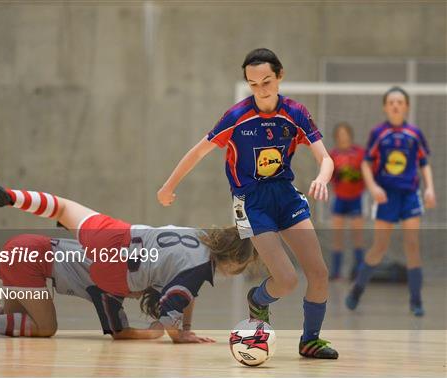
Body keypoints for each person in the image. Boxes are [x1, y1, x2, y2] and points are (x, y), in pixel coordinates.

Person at [157, 48, 338, 358]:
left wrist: (322, 177)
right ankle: (258, 299)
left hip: (284, 194)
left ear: (280, 76)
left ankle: (310, 341)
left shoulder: (295, 113)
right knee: (287, 280)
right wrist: (168, 185)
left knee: (319, 273)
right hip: (249, 203)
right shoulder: (236, 116)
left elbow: (326, 158)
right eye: (253, 84)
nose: (261, 89)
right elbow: (198, 151)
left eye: (266, 81)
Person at [0, 170, 257, 342]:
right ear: (232, 259)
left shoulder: (197, 234)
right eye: (240, 267)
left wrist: (185, 327)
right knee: (47, 327)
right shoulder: (201, 267)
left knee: (62, 207)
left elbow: (187, 293)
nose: (236, 273)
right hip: (117, 272)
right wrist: (177, 335)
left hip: (115, 234)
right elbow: (171, 309)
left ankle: (10, 196)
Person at [0, 234, 164, 340]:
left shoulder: (122, 259)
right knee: (46, 327)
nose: (132, 296)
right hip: (30, 258)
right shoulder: (115, 283)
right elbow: (118, 333)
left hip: (23, 247)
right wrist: (154, 332)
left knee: (15, 320)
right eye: (139, 293)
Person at [346, 87, 436, 317]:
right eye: (391, 102)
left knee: (412, 245)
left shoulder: (414, 133)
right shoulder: (379, 133)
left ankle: (416, 301)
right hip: (386, 196)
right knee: (379, 247)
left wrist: (430, 189)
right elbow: (366, 163)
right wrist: (373, 187)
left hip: (409, 196)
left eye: (400, 102)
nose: (396, 105)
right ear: (385, 107)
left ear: (406, 106)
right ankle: (357, 289)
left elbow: (424, 163)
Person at [328, 122, 366, 280]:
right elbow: (329, 176)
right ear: (336, 137)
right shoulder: (333, 154)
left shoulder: (360, 153)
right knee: (337, 235)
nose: (343, 137)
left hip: (356, 198)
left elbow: (367, 173)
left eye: (345, 134)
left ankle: (358, 270)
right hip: (340, 198)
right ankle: (336, 271)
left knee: (357, 235)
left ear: (350, 135)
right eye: (340, 135)